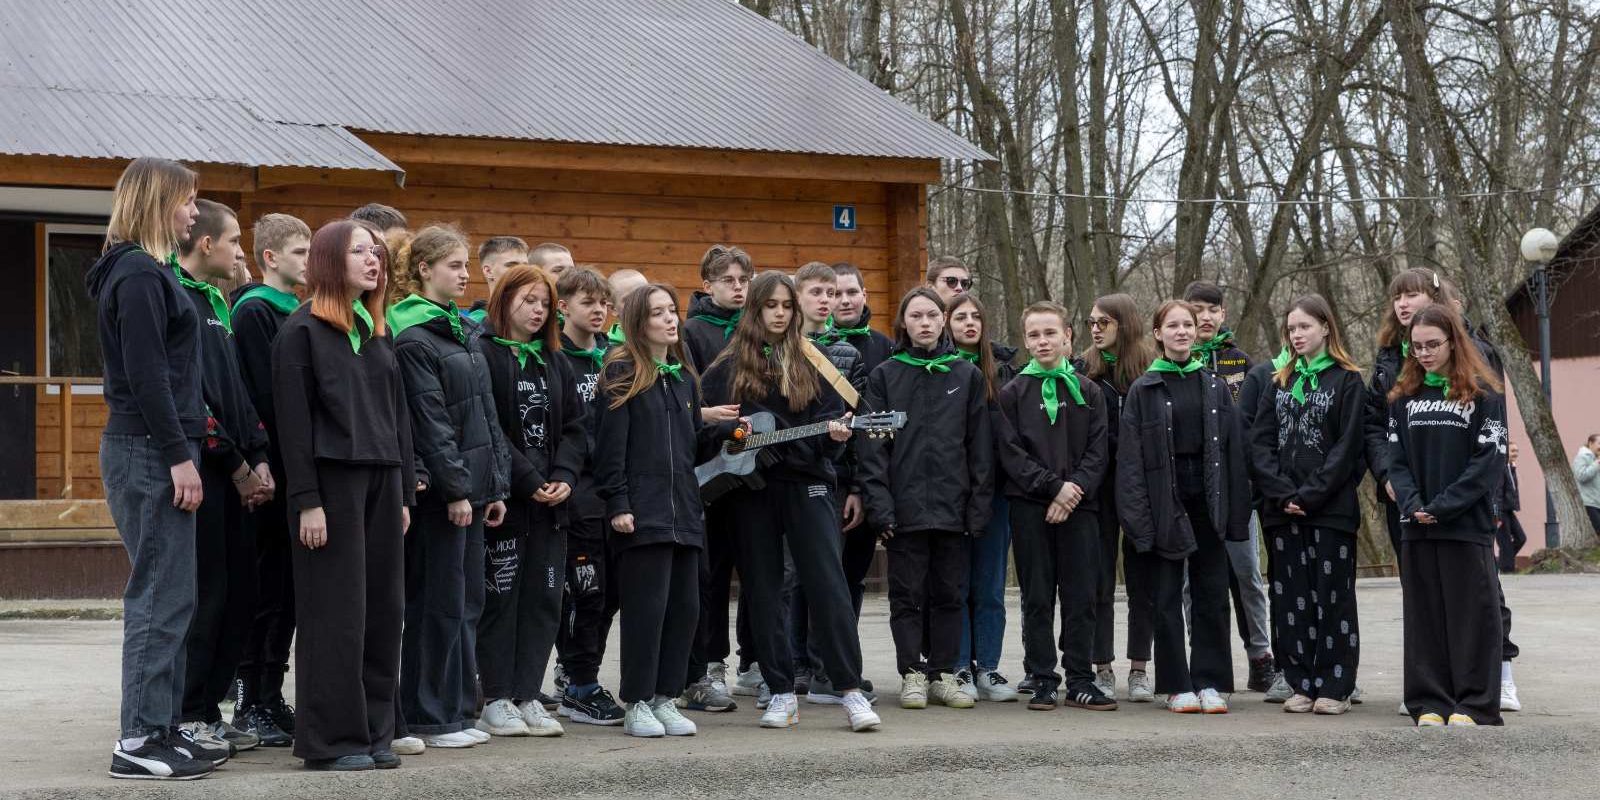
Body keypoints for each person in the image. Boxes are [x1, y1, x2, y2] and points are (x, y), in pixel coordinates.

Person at [701, 271, 881, 732]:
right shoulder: (726, 368)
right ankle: (780, 690)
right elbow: (707, 433)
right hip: (749, 493)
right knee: (762, 591)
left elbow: (829, 433)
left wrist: (837, 438)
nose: (780, 314)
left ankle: (850, 690)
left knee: (828, 586)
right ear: (755, 310)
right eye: (771, 306)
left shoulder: (813, 361)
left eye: (786, 306)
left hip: (808, 486)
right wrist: (738, 437)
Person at [89, 158, 220, 780]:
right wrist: (178, 457)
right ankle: (137, 741)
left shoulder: (148, 271)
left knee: (175, 595)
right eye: (188, 200)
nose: (194, 212)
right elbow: (146, 378)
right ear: (157, 200)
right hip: (148, 451)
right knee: (156, 596)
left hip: (159, 448)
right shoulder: (139, 274)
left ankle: (162, 727)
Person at [272, 219, 415, 770]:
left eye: (375, 251)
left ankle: (374, 733)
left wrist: (403, 492)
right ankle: (331, 741)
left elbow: (397, 416)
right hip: (330, 487)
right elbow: (293, 425)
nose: (373, 260)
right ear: (332, 260)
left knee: (383, 609)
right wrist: (306, 500)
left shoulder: (375, 330)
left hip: (383, 481)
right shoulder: (301, 331)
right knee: (336, 614)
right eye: (360, 251)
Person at [387, 225, 512, 750]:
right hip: (443, 496)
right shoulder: (413, 335)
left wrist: (494, 485)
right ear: (423, 269)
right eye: (455, 266)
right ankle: (428, 715)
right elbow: (431, 421)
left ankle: (459, 710)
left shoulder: (459, 329)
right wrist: (457, 488)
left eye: (466, 266)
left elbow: (484, 414)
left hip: (475, 490)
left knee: (466, 604)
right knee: (437, 604)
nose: (465, 275)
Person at [594, 283, 734, 738]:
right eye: (658, 313)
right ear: (639, 322)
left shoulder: (683, 378)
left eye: (672, 311)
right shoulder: (621, 372)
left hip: (686, 514)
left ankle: (665, 698)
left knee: (685, 611)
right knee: (646, 612)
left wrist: (727, 432)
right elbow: (610, 450)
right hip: (642, 515)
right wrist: (618, 503)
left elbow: (690, 446)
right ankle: (636, 701)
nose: (671, 319)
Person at [859, 287, 994, 711]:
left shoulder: (965, 375)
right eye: (915, 316)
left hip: (953, 509)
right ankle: (912, 673)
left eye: (931, 315)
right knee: (907, 596)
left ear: (942, 321)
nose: (924, 323)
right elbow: (872, 449)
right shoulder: (885, 375)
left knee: (949, 594)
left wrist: (977, 506)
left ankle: (942, 674)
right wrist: (880, 506)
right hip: (905, 509)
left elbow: (980, 447)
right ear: (904, 323)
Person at [173, 200, 273, 755]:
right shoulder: (179, 299)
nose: (242, 252)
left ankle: (211, 709)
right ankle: (187, 713)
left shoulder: (220, 303)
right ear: (206, 243)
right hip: (206, 476)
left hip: (240, 476)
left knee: (241, 594)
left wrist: (257, 455)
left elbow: (237, 393)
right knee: (207, 595)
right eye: (235, 240)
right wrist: (234, 463)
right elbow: (195, 400)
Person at [1117, 300, 1250, 714]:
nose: (1181, 331)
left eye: (1187, 325)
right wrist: (1138, 520)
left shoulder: (1213, 385)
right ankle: (1176, 685)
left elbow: (1233, 452)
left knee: (1212, 593)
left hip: (1208, 500)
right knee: (1166, 595)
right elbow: (1131, 461)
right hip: (1163, 502)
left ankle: (1211, 681)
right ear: (1157, 334)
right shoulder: (1144, 389)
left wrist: (1236, 514)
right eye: (1172, 325)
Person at [475, 265, 586, 738]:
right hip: (508, 500)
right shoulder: (483, 354)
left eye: (545, 303)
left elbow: (579, 429)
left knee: (544, 599)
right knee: (502, 598)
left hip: (552, 505)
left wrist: (563, 476)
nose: (538, 311)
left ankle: (527, 694)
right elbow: (488, 427)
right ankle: (495, 696)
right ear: (503, 302)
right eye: (528, 301)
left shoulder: (554, 359)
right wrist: (529, 479)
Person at [1387, 304, 1508, 727]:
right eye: (1416, 346)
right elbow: (1394, 458)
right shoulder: (1403, 396)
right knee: (1425, 618)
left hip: (1463, 526)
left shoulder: (1483, 394)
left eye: (1432, 345)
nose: (1423, 353)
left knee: (1470, 616)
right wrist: (1412, 503)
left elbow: (1487, 463)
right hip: (1416, 525)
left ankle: (1474, 704)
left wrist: (1443, 507)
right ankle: (1430, 702)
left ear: (1453, 342)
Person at [1247, 295, 1365, 716]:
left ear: (1326, 328)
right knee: (1289, 598)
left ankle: (1336, 684)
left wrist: (1311, 495)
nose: (1297, 335)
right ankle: (1301, 681)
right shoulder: (1279, 379)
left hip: (1329, 510)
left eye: (1305, 327)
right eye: (1291, 329)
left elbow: (1348, 448)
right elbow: (1258, 442)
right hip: (1283, 512)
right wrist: (1282, 494)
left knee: (1331, 597)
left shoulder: (1348, 380)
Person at [999, 301, 1113, 712]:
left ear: (1068, 336)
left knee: (1081, 594)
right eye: (1034, 334)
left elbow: (1099, 450)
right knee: (1037, 594)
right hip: (1031, 507)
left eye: (1051, 333)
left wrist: (1073, 490)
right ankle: (1043, 676)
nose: (1043, 341)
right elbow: (1010, 453)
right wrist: (1051, 488)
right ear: (1025, 340)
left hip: (1081, 508)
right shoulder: (1012, 393)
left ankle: (1081, 677)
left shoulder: (1089, 392)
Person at [230, 213, 311, 747]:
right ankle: (249, 697)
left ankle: (272, 694)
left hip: (298, 470)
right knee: (264, 588)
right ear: (270, 259)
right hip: (271, 470)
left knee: (287, 590)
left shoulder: (300, 312)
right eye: (299, 252)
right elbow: (266, 394)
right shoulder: (255, 310)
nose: (308, 261)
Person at [1182, 281, 1277, 693]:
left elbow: (1255, 427)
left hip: (1237, 490)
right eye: (1196, 310)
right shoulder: (1176, 361)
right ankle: (1197, 652)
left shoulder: (1244, 365)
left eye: (1212, 310)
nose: (1204, 317)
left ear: (1223, 314)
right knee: (1192, 579)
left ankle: (1260, 655)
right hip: (1192, 492)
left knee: (1247, 574)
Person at [791, 262, 871, 704]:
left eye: (832, 292)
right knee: (789, 580)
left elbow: (859, 427)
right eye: (817, 292)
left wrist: (858, 486)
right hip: (783, 478)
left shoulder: (848, 355)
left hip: (834, 478)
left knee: (829, 578)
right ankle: (788, 668)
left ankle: (826, 671)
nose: (826, 300)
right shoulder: (775, 351)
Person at [551, 267, 627, 725]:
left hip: (614, 495)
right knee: (586, 594)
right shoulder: (555, 358)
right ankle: (580, 683)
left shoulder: (616, 359)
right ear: (563, 307)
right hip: (574, 494)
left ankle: (582, 672)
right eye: (586, 302)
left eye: (604, 303)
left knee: (611, 595)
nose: (598, 310)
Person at [681, 245, 754, 698]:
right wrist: (709, 416)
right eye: (728, 280)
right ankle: (711, 663)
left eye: (744, 280)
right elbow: (688, 395)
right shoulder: (691, 330)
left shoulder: (757, 327)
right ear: (707, 285)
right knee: (710, 572)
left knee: (756, 568)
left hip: (753, 462)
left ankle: (756, 660)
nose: (738, 288)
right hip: (708, 465)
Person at [1082, 293, 1157, 703]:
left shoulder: (1149, 371)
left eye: (1104, 322)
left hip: (1142, 489)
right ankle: (1102, 666)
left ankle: (1140, 668)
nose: (1095, 329)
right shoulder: (1085, 372)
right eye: (1092, 322)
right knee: (1098, 579)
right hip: (1098, 488)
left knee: (1142, 578)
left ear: (1124, 324)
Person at [946, 293, 1020, 702]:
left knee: (989, 584)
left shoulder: (1005, 372)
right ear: (947, 322)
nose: (969, 323)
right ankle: (959, 666)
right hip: (952, 494)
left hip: (996, 495)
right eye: (960, 317)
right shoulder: (940, 370)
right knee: (956, 583)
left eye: (976, 316)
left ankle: (987, 666)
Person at [819, 261, 894, 373]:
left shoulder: (886, 347)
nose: (845, 301)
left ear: (864, 296)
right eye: (837, 294)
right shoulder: (816, 345)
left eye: (852, 292)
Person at [464, 236, 528, 322]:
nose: (522, 271)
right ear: (488, 271)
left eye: (525, 266)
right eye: (512, 265)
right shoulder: (475, 325)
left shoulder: (536, 318)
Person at [1497, 442, 1528, 573]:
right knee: (1505, 543)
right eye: (1513, 451)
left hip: (1509, 509)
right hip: (1501, 511)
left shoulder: (1511, 467)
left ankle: (1503, 563)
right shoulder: (1500, 468)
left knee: (1521, 538)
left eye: (1517, 451)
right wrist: (1497, 514)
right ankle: (1507, 569)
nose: (1516, 453)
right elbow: (1498, 492)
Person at [605, 268, 648, 345]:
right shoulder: (610, 349)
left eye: (645, 296)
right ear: (613, 309)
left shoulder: (666, 335)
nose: (640, 302)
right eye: (630, 299)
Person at [1575, 435, 1600, 535]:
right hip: (1589, 503)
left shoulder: (1597, 458)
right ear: (1590, 443)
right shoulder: (1582, 457)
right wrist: (1597, 464)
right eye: (1599, 444)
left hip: (1597, 502)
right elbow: (1581, 476)